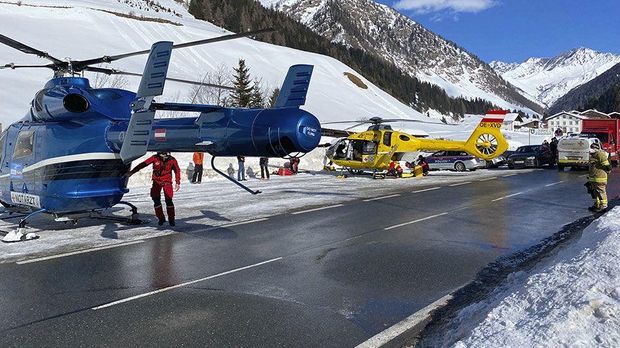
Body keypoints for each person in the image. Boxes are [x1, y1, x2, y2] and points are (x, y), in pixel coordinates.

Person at [127, 151, 181, 226]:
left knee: (169, 200)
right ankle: (161, 218)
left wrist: (177, 182)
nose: (164, 156)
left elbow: (177, 170)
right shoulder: (155, 158)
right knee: (156, 200)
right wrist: (132, 172)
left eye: (165, 154)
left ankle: (171, 219)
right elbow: (143, 164)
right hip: (156, 182)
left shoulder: (172, 160)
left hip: (167, 182)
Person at [586, 142, 612, 212]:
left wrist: (608, 172)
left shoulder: (600, 154)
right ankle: (597, 205)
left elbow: (607, 166)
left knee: (600, 192)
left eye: (592, 148)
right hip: (594, 178)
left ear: (596, 148)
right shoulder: (593, 155)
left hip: (600, 178)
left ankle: (603, 206)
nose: (590, 150)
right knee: (595, 192)